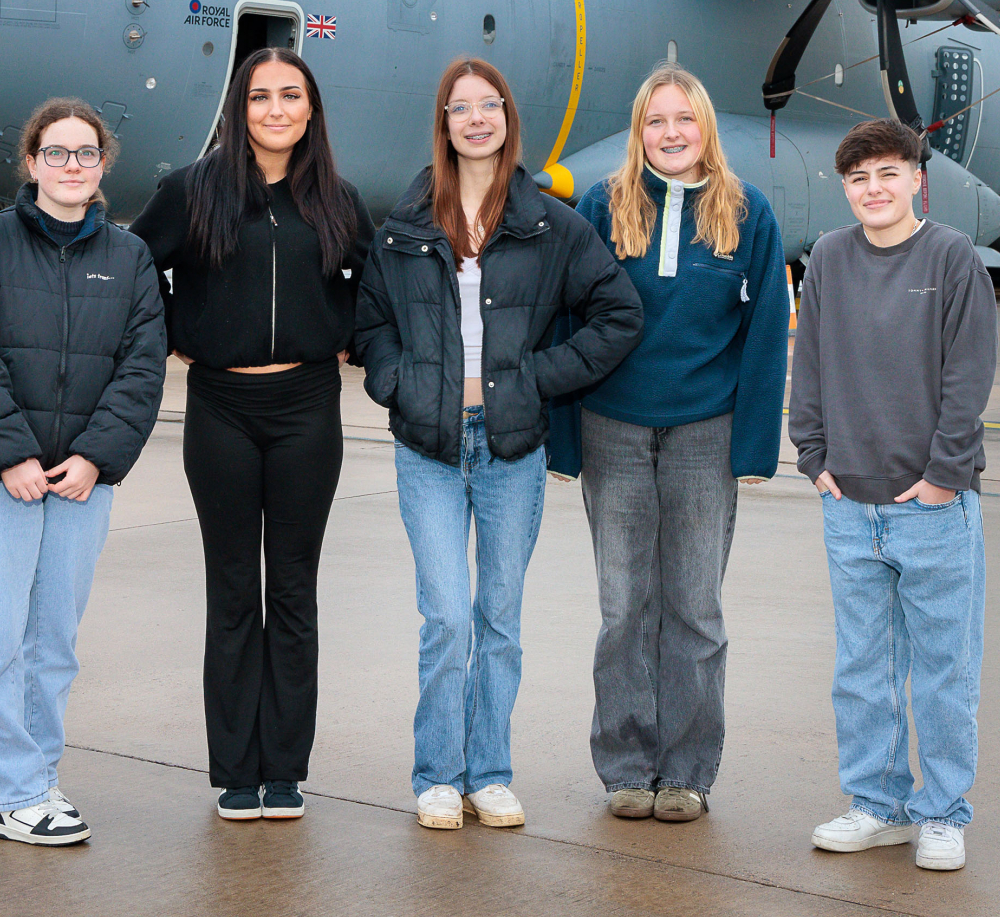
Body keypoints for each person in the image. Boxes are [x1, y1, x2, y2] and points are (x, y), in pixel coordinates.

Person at [355, 57, 643, 831]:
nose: (476, 118)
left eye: (490, 106)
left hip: (511, 448)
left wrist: (534, 377)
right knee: (447, 614)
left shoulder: (550, 222)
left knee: (500, 617)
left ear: (509, 119)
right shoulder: (407, 222)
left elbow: (618, 312)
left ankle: (489, 773)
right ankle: (437, 775)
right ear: (443, 124)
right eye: (460, 108)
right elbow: (370, 320)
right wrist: (398, 380)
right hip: (429, 448)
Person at [129, 48, 374, 822]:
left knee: (293, 591)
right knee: (234, 589)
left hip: (308, 407)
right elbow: (136, 267)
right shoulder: (190, 191)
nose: (275, 109)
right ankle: (237, 769)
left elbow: (381, 287)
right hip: (222, 410)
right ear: (240, 108)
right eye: (260, 96)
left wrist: (349, 337)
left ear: (311, 110)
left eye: (290, 96)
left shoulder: (337, 198)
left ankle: (286, 770)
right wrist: (175, 331)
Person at [551, 62, 788, 824]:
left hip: (704, 433)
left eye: (685, 119)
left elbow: (764, 342)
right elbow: (567, 321)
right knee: (624, 607)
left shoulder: (748, 215)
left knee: (694, 608)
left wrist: (753, 449)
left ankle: (686, 770)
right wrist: (564, 440)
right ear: (638, 131)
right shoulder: (601, 205)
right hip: (612, 427)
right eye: (657, 121)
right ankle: (626, 764)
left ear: (706, 127)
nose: (672, 133)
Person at [0, 98, 166, 845]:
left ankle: (36, 779)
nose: (72, 167)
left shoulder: (128, 258)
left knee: (53, 645)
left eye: (86, 154)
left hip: (78, 484)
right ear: (31, 163)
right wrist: (11, 457)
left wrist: (95, 457)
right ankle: (12, 791)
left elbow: (141, 368)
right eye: (57, 153)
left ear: (103, 166)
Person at [792, 119, 994, 873]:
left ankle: (942, 813)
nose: (872, 190)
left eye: (886, 174)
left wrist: (943, 478)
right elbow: (806, 363)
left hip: (931, 506)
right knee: (863, 668)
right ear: (844, 188)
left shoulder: (950, 257)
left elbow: (967, 378)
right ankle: (877, 804)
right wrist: (814, 459)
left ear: (917, 179)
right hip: (849, 503)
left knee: (944, 669)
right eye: (858, 179)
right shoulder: (832, 258)